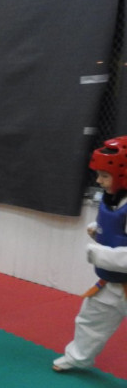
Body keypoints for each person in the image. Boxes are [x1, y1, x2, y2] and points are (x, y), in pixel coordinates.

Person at [53, 136, 127, 373]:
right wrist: (99, 233)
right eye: (99, 174)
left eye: (105, 175)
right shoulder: (114, 200)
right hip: (111, 282)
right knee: (91, 319)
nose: (98, 181)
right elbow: (117, 231)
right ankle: (78, 358)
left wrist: (98, 253)